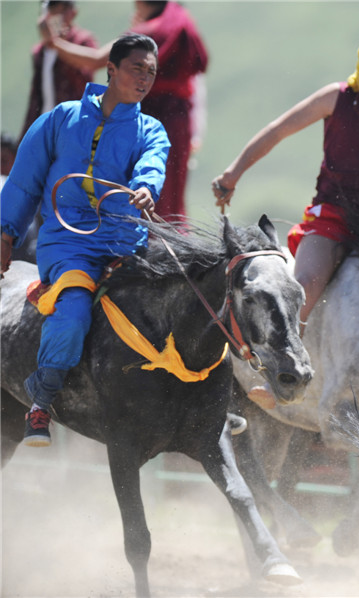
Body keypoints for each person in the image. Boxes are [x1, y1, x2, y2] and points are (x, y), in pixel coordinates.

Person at [211, 19, 359, 339]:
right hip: (333, 216)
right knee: (305, 287)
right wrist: (233, 173)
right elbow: (279, 130)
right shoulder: (337, 97)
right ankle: (281, 373)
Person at [0, 34, 169, 448]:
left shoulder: (151, 129)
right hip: (67, 241)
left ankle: (201, 398)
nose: (145, 77)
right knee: (73, 309)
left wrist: (147, 185)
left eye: (151, 71)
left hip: (128, 242)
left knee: (177, 301)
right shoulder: (60, 119)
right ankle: (42, 399)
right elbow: (23, 184)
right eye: (137, 68)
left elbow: (154, 161)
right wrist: (5, 235)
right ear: (110, 70)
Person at [39, 1, 208, 219]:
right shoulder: (179, 19)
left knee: (139, 186)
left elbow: (97, 60)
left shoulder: (149, 31)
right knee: (168, 193)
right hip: (178, 119)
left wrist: (54, 44)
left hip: (146, 117)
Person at [20, 1, 97, 141]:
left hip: (73, 126)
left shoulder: (82, 41)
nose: (58, 15)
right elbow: (36, 95)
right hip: (44, 126)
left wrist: (59, 45)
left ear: (73, 12)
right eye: (53, 9)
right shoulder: (41, 51)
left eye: (63, 9)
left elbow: (85, 77)